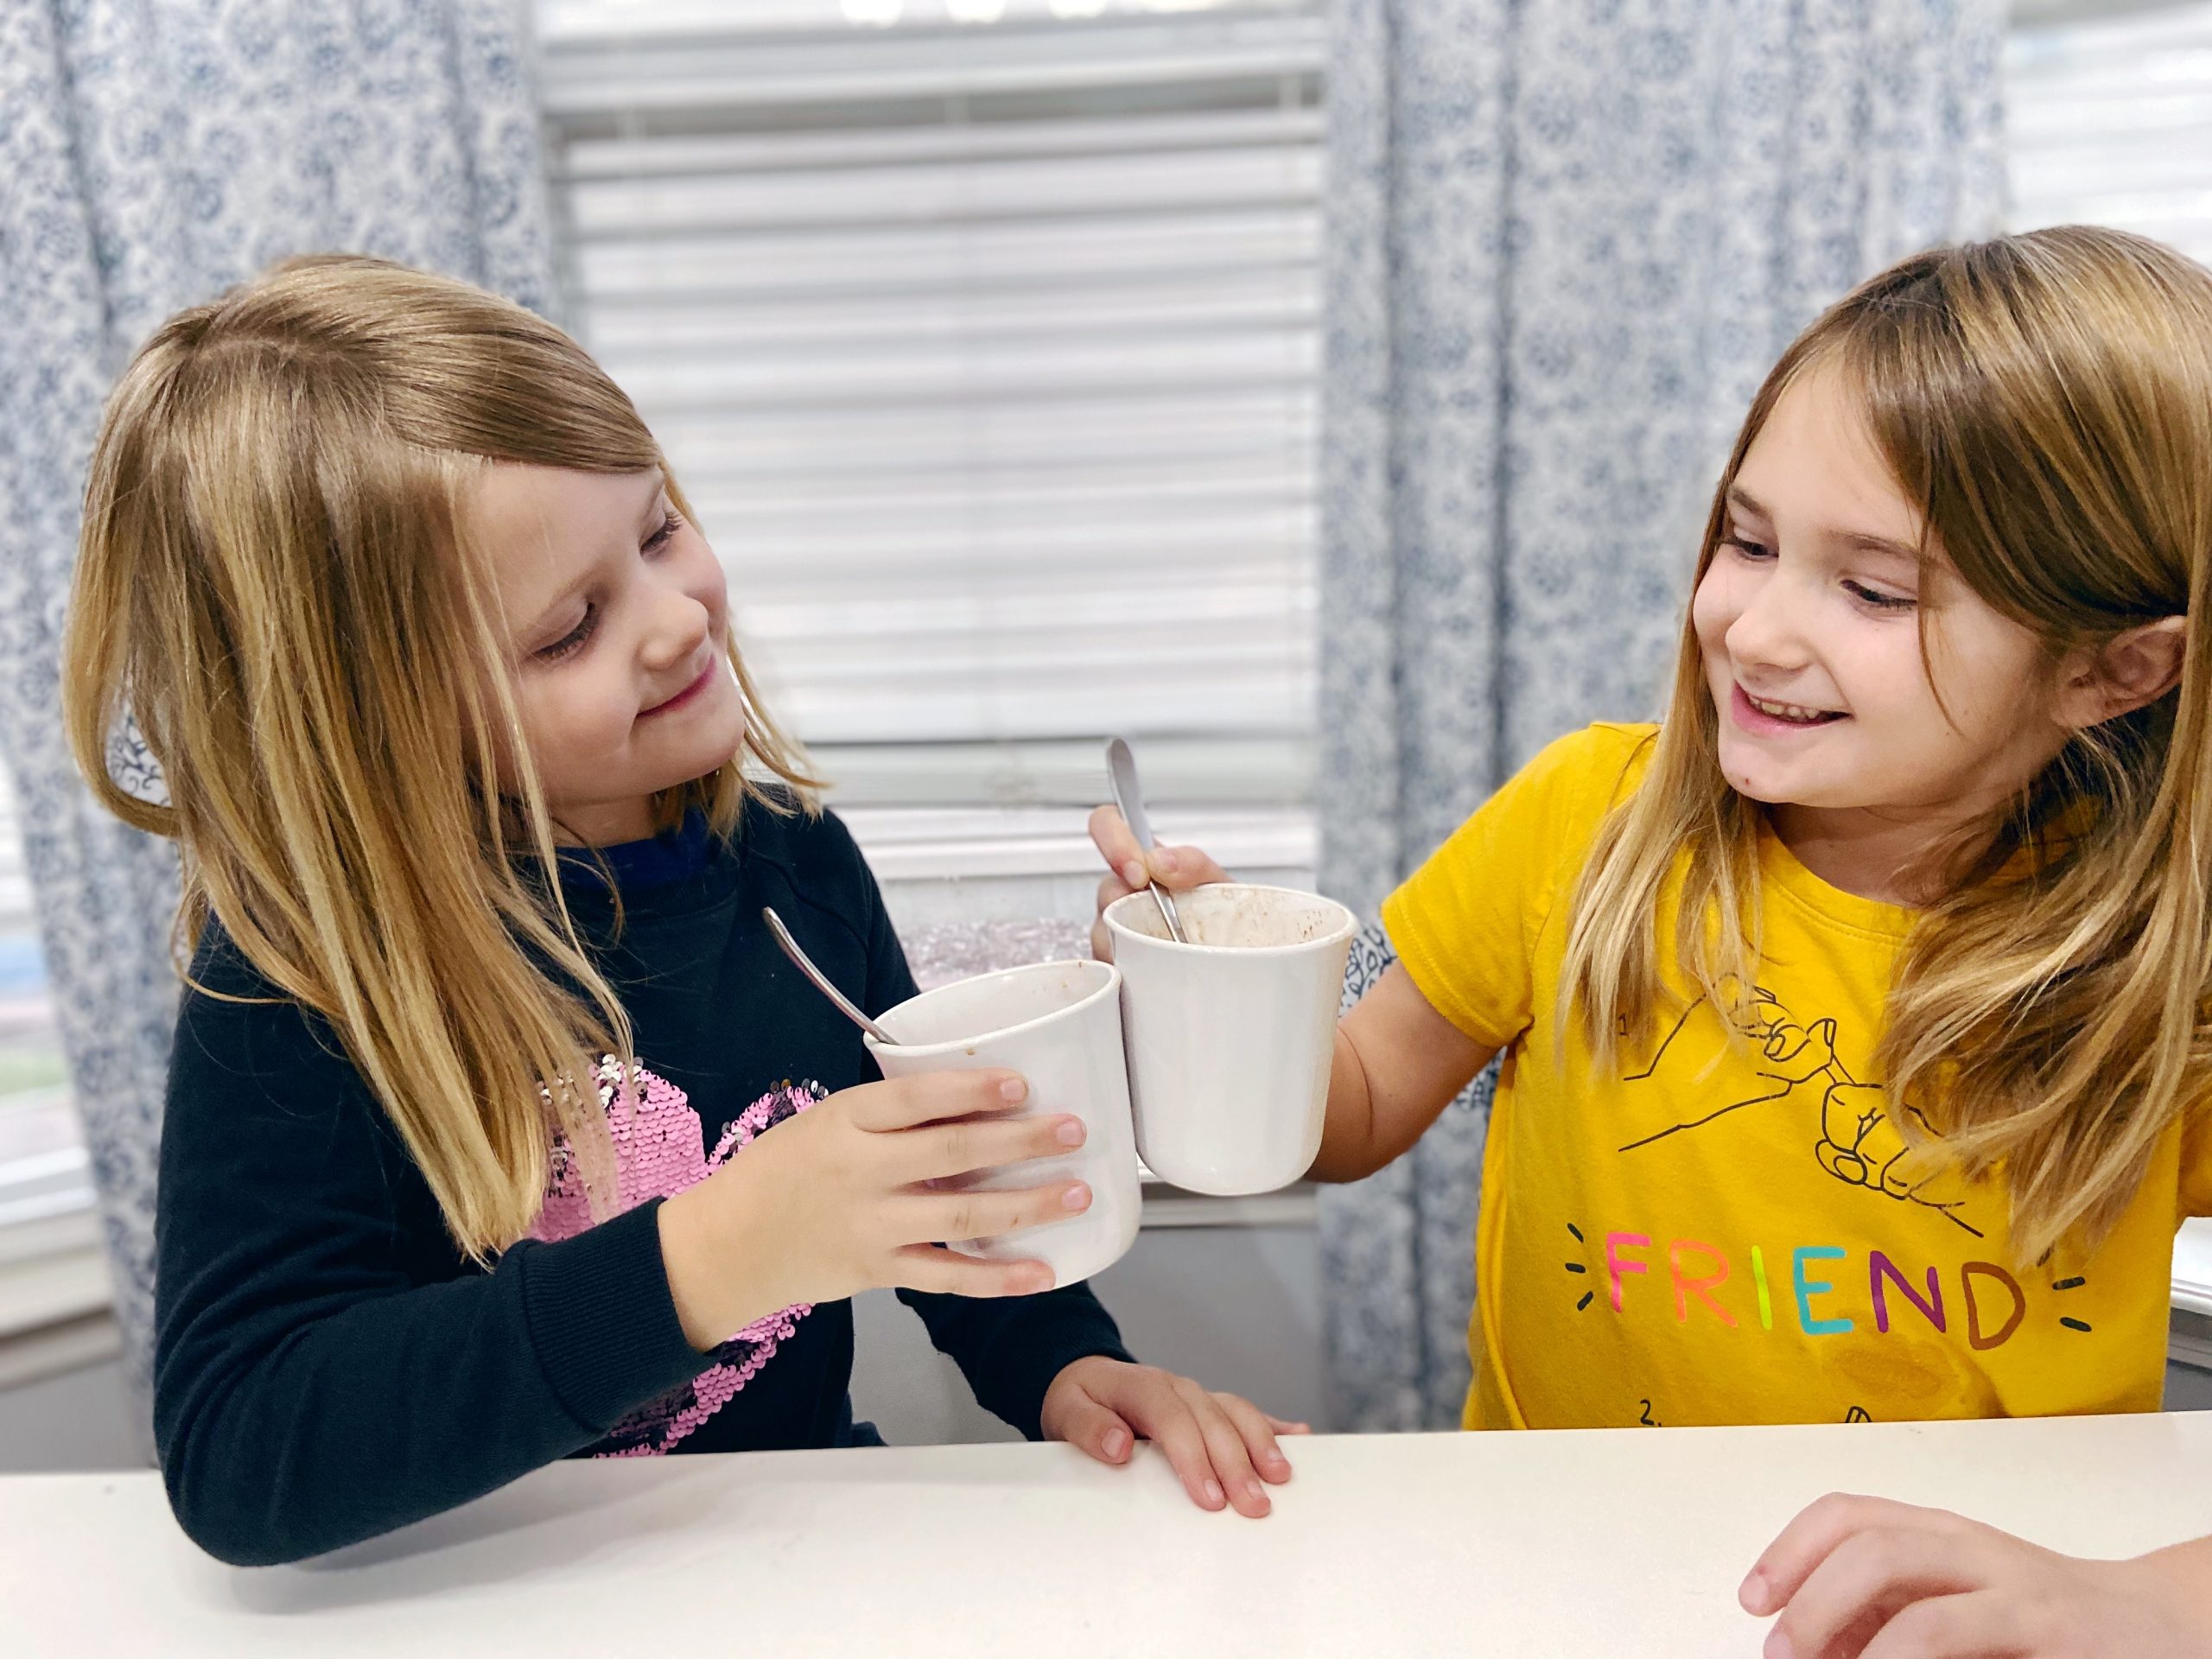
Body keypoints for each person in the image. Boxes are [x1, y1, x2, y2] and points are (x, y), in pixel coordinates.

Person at [65, 254, 1300, 1567]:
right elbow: (242, 1451)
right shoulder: (302, 976)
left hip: (791, 1562)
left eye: (656, 533)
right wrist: (704, 1259)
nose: (670, 621)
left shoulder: (797, 867)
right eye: (565, 632)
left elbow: (930, 1186)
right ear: (372, 729)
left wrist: (1063, 1364)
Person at [1092, 227, 2212, 1653]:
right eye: (1747, 540)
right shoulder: (1583, 827)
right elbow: (1355, 1110)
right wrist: (1205, 1001)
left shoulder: (2168, 975)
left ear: (2111, 669)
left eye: (1871, 589)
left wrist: (2154, 1600)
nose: (1749, 626)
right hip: (1564, 1580)